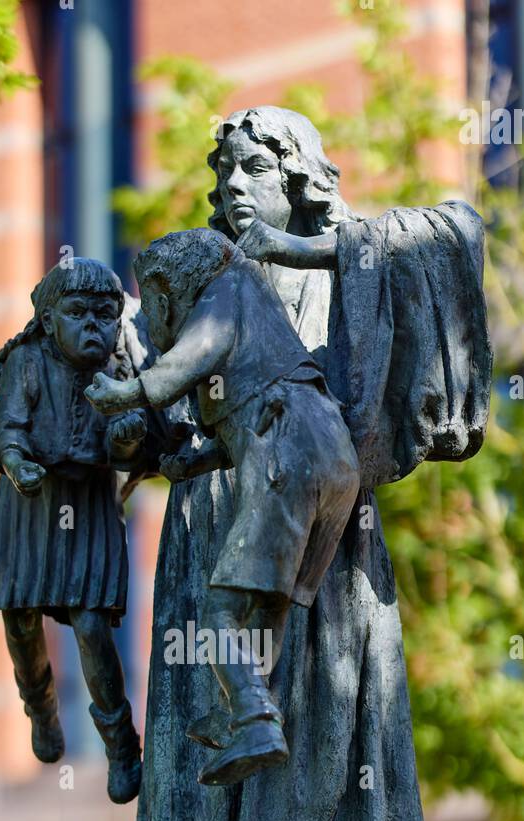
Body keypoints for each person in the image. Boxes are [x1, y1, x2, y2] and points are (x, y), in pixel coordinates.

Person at [130, 108, 492, 821]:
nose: (236, 183)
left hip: (319, 568)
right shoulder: (200, 285)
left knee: (311, 802)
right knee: (224, 817)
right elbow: (163, 426)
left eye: (259, 164)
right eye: (227, 169)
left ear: (303, 178)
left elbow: (454, 232)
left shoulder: (349, 262)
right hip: (212, 551)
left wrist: (308, 244)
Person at [86, 227, 359, 787]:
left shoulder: (224, 291)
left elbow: (184, 363)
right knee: (271, 603)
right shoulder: (257, 304)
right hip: (331, 456)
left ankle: (255, 718)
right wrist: (200, 460)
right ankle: (244, 703)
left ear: (164, 293)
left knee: (219, 611)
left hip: (286, 448)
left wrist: (123, 394)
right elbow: (244, 409)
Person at [0, 259, 145, 804]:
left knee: (92, 628)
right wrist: (17, 462)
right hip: (31, 503)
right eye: (78, 313)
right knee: (19, 622)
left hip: (88, 503)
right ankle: (41, 710)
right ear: (48, 321)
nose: (94, 325)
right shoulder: (26, 362)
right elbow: (9, 429)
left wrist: (127, 438)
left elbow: (131, 451)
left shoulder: (120, 369)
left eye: (106, 314)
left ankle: (120, 744)